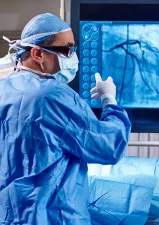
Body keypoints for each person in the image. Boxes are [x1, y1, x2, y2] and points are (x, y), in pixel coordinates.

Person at [0, 13, 131, 224]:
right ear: (37, 54)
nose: (73, 57)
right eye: (67, 49)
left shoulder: (3, 89)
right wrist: (110, 102)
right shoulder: (52, 96)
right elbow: (110, 147)